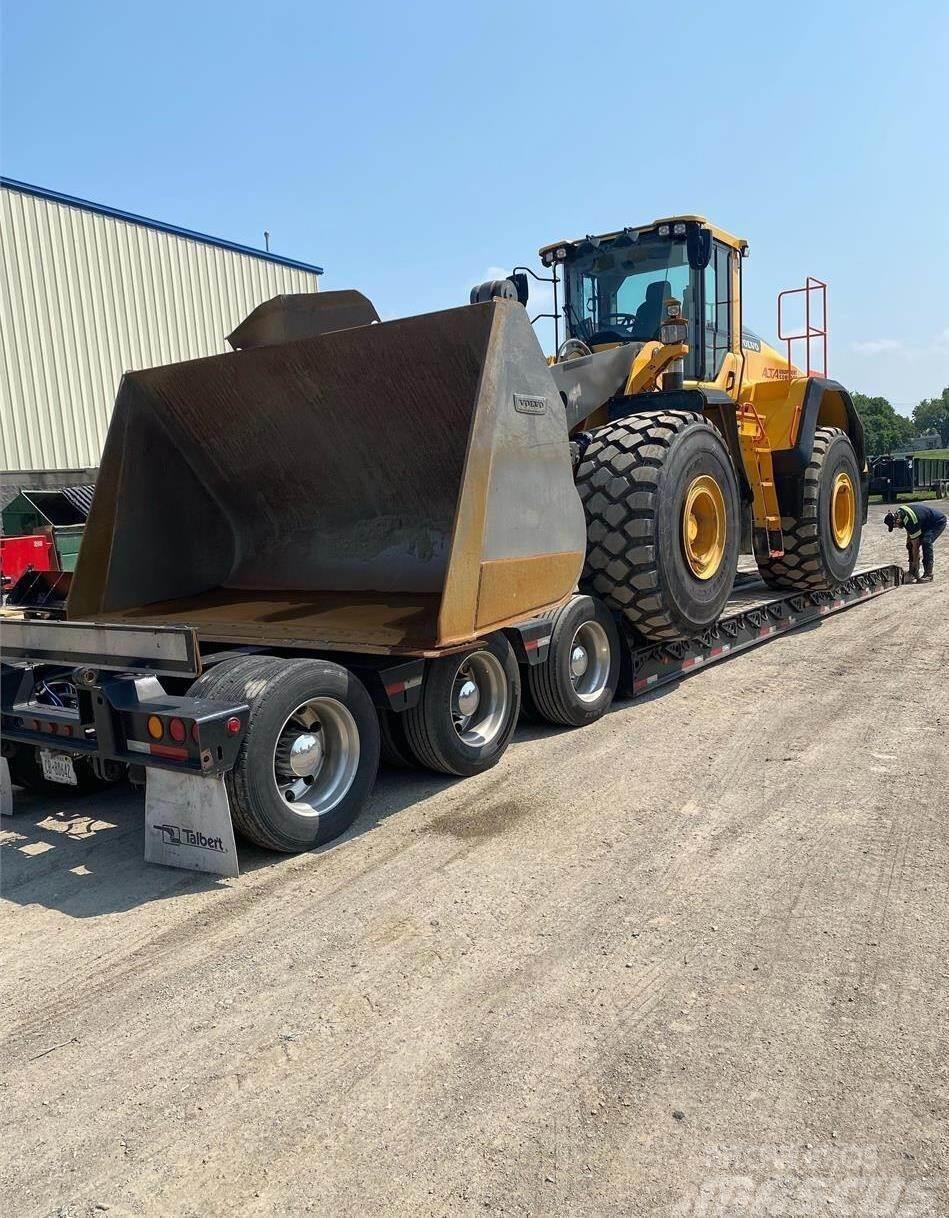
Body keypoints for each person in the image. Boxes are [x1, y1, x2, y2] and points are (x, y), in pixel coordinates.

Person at [884, 502, 947, 582]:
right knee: (910, 544)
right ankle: (913, 571)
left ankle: (928, 573)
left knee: (926, 541)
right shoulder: (901, 513)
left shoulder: (910, 520)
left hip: (937, 521)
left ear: (897, 520)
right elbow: (910, 535)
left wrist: (915, 563)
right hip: (924, 523)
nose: (897, 527)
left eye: (895, 526)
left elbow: (916, 547)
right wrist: (909, 547)